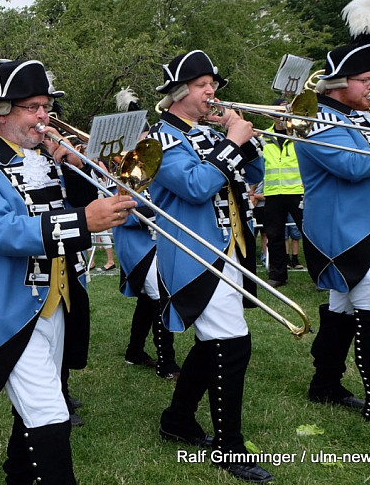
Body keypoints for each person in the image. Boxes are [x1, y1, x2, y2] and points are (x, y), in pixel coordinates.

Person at [0, 59, 135, 483]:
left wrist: (77, 168)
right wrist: (83, 221)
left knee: (32, 409)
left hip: (56, 304)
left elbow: (81, 204)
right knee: (50, 415)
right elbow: (3, 232)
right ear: (2, 111)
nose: (43, 116)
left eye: (45, 106)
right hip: (10, 311)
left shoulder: (44, 159)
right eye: (32, 107)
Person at [148, 50, 272, 483]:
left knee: (213, 340)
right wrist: (231, 143)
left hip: (229, 247)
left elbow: (255, 172)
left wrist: (241, 138)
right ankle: (229, 447)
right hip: (195, 253)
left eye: (213, 85)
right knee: (232, 343)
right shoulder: (159, 139)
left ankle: (177, 419)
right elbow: (195, 186)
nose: (211, 92)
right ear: (180, 92)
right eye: (203, 85)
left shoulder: (205, 132)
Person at [298, 0, 370, 430]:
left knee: (342, 309)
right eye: (367, 81)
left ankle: (324, 383)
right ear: (340, 83)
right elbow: (354, 165)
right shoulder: (316, 117)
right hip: (343, 230)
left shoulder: (365, 116)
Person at [110, 88, 179, 380]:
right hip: (136, 243)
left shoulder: (152, 164)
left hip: (156, 240)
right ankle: (167, 364)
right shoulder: (118, 166)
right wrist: (156, 213)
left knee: (148, 299)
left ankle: (134, 351)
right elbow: (121, 210)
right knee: (160, 296)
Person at [259, 99, 303, 288]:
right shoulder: (263, 136)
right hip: (273, 193)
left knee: (309, 234)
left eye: (286, 111)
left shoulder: (300, 134)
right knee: (274, 235)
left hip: (298, 190)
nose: (283, 115)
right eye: (279, 111)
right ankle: (277, 275)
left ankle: (320, 275)